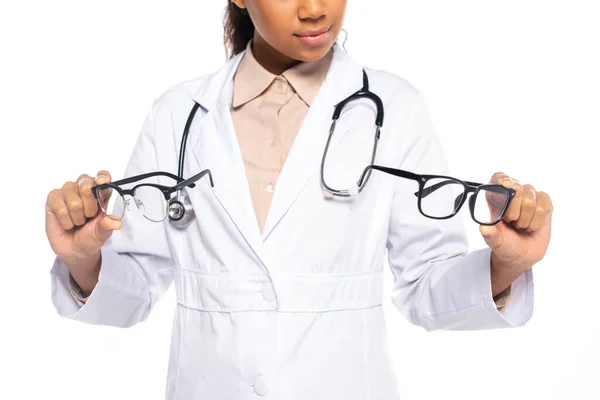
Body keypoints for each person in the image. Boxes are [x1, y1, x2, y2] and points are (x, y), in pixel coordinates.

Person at [45, 1, 554, 399]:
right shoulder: (178, 113)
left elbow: (426, 287)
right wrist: (83, 260)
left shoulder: (397, 108)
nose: (316, 9)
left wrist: (502, 268)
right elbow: (133, 291)